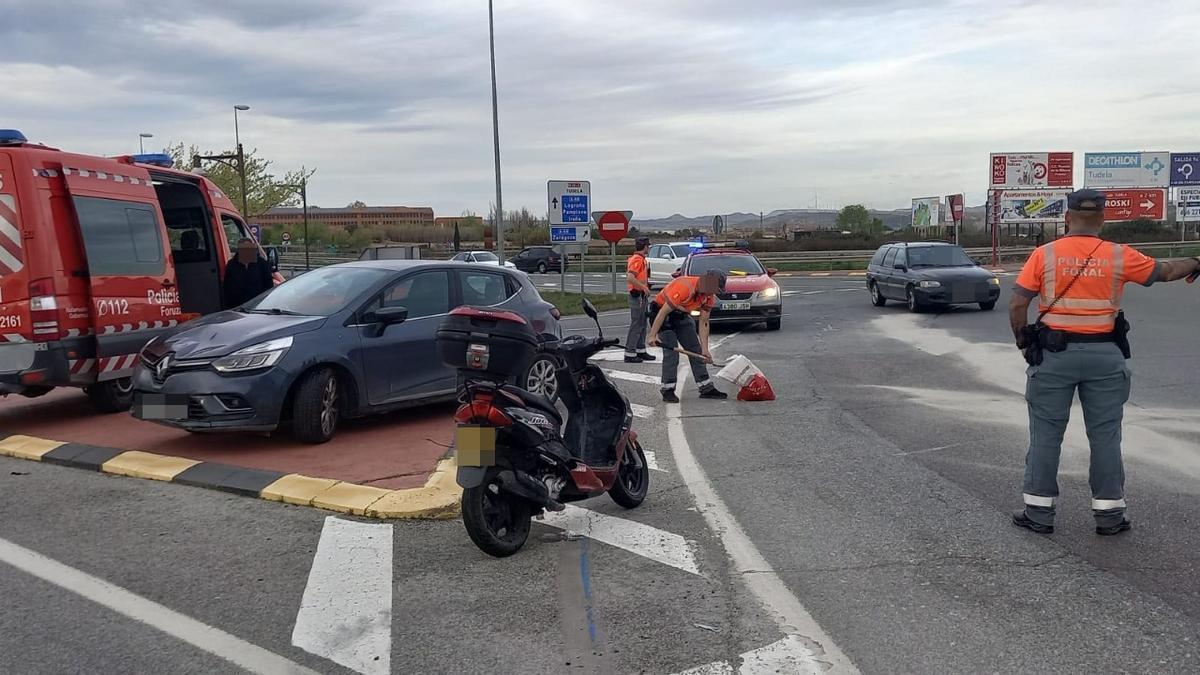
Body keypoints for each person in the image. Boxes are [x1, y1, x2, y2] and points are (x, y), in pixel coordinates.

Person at [1009, 189, 1200, 536]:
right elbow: (1166, 270)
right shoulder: (1117, 255)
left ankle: (1038, 512)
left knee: (1046, 435)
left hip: (1053, 357)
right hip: (1105, 356)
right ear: (1102, 219)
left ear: (1067, 218)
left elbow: (1018, 304)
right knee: (1106, 436)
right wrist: (1197, 262)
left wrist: (1025, 344)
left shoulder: (1044, 255)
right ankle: (1109, 516)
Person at [647, 269, 728, 403]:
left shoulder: (708, 296)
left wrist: (705, 349)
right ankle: (668, 389)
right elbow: (662, 313)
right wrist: (652, 335)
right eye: (714, 289)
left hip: (681, 315)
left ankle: (706, 387)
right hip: (662, 314)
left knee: (696, 351)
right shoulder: (684, 287)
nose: (713, 293)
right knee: (671, 354)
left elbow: (704, 322)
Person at [624, 237, 657, 364]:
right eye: (648, 246)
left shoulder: (640, 259)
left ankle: (640, 350)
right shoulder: (637, 260)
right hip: (637, 296)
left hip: (641, 296)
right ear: (645, 247)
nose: (648, 248)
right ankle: (630, 352)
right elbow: (630, 277)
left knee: (642, 323)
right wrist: (643, 287)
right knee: (637, 324)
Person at [223, 237, 273, 308]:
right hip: (237, 306)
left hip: (257, 305)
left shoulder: (262, 264)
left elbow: (268, 284)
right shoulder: (232, 264)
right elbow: (227, 286)